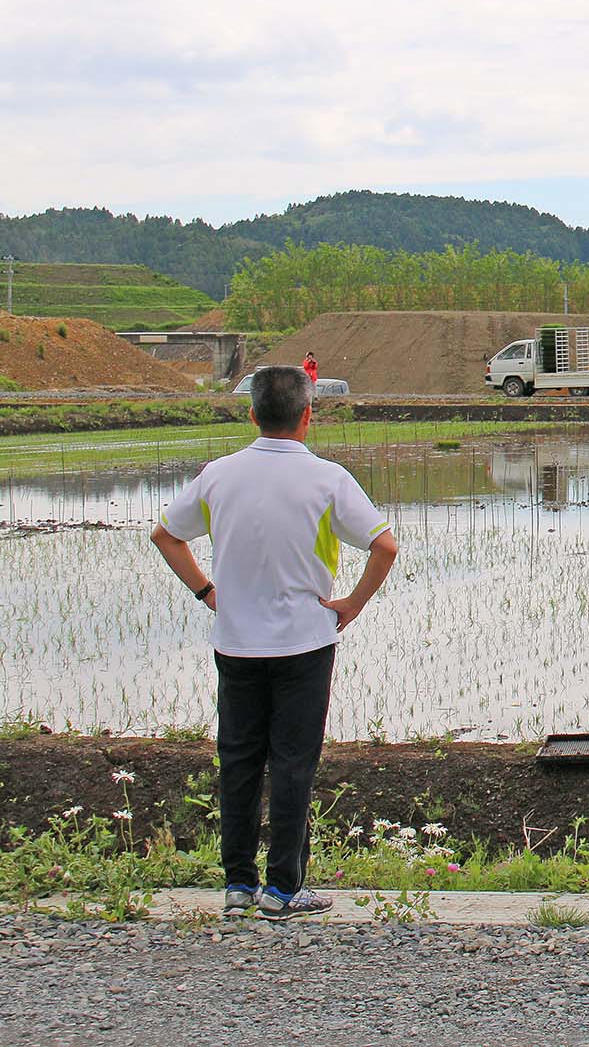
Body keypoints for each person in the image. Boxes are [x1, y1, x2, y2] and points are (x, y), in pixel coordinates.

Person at [149, 366, 399, 920]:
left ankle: (238, 885)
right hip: (305, 646)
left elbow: (165, 534)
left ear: (252, 413)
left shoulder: (219, 475)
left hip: (235, 643)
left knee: (237, 759)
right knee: (292, 763)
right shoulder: (328, 479)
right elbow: (385, 547)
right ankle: (284, 889)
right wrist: (352, 605)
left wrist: (206, 591)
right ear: (309, 415)